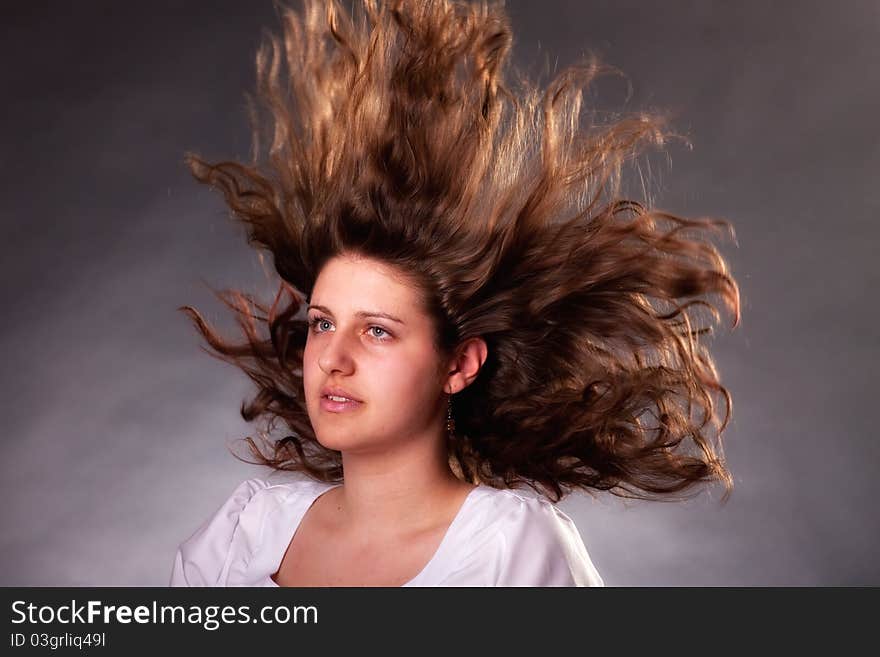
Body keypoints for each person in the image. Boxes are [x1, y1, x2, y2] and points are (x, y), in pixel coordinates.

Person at [170, 0, 740, 587]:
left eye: (377, 331)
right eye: (322, 323)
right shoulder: (247, 529)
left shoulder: (511, 549)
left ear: (459, 364)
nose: (333, 360)